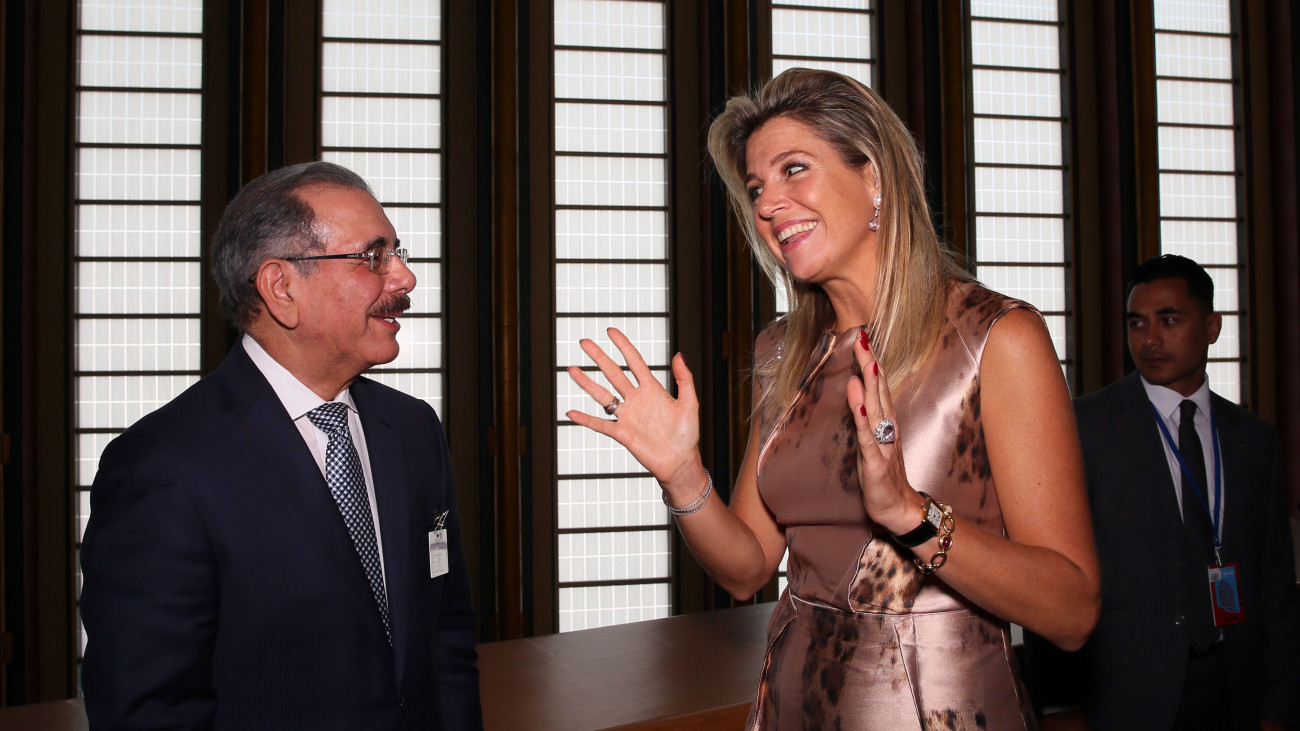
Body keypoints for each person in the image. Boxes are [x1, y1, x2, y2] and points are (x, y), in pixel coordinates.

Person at [565, 68, 1100, 729]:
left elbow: (1073, 612)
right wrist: (684, 477)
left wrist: (909, 514)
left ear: (874, 176)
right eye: (755, 188)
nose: (767, 204)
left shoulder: (995, 337)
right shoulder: (782, 353)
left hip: (940, 710)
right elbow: (747, 568)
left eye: (794, 169)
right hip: (792, 703)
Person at [80, 161, 483, 729]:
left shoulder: (412, 429)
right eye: (374, 257)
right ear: (281, 287)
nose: (405, 278)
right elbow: (149, 707)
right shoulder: (164, 465)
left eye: (398, 253)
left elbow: (447, 637)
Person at [1024, 254, 1300, 729]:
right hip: (1125, 695)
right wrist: (1057, 708)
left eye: (1169, 320)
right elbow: (1049, 570)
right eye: (1137, 323)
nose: (1149, 339)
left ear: (1211, 327)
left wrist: (1279, 708)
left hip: (1235, 689)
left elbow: (1276, 584)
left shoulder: (1253, 439)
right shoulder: (1084, 427)